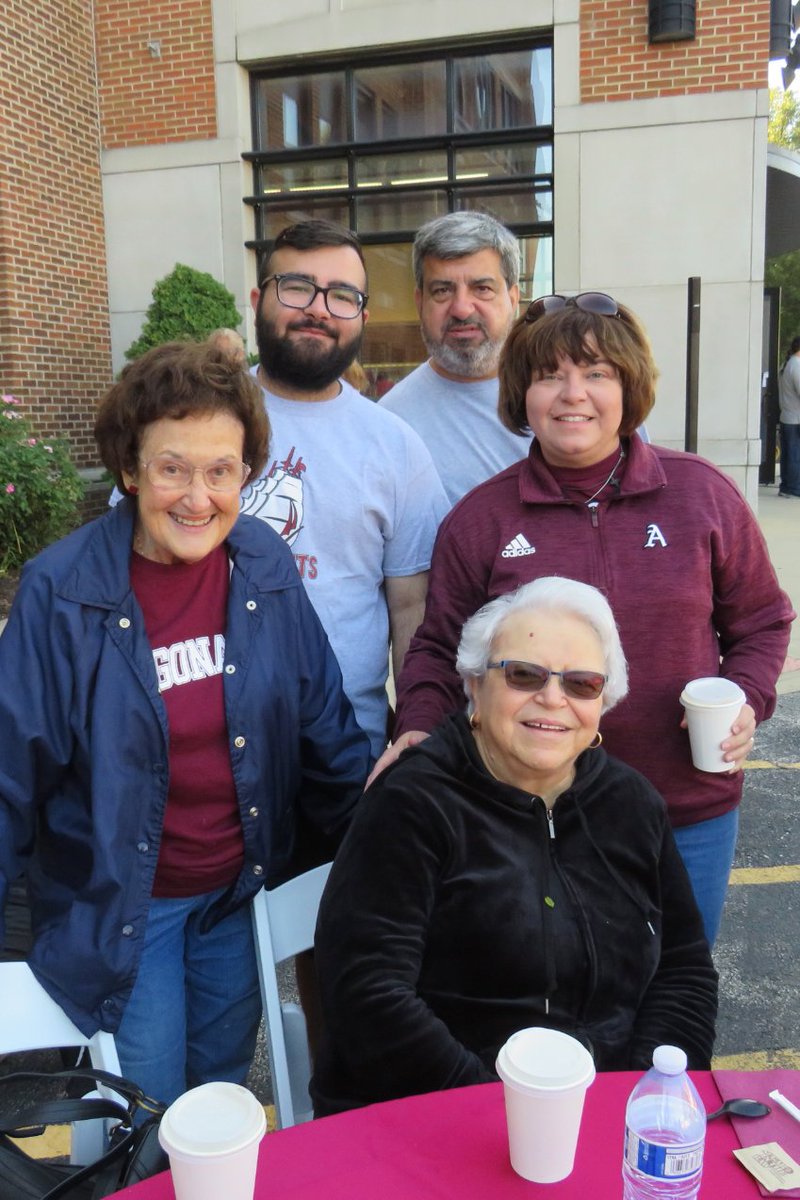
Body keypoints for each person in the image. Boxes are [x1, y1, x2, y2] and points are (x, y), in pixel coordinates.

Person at [0, 340, 371, 1105]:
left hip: (235, 895)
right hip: (128, 911)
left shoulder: (261, 562)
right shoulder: (61, 592)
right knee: (151, 1108)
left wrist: (379, 859)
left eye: (221, 471)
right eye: (173, 468)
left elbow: (324, 723)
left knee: (224, 1091)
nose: (198, 498)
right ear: (130, 469)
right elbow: (9, 777)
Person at [386, 292, 795, 947]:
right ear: (523, 394)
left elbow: (763, 621)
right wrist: (418, 727)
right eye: (550, 375)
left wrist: (745, 697)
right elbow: (438, 648)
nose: (572, 394)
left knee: (675, 984)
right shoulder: (483, 519)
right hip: (529, 812)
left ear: (628, 388)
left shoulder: (701, 495)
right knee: (546, 991)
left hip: (686, 809)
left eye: (596, 373)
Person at [311, 578, 718, 1115]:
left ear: (603, 703)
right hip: (433, 1109)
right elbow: (367, 994)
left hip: (606, 1111)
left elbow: (683, 970)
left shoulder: (631, 803)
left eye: (581, 683)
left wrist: (643, 1097)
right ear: (474, 685)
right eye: (524, 674)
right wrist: (503, 1112)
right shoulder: (411, 802)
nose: (553, 699)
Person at [243, 219, 448, 758]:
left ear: (362, 317)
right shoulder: (197, 417)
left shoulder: (396, 445)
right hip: (205, 743)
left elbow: (413, 607)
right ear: (257, 301)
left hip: (346, 747)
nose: (319, 309)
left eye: (342, 296)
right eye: (296, 287)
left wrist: (413, 737)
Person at [379, 211, 531, 506]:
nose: (461, 308)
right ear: (420, 302)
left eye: (482, 289)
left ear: (513, 299)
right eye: (442, 291)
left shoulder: (564, 401)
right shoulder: (391, 423)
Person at [778, 335, 800, 498]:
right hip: (796, 418)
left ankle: (786, 486)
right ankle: (794, 488)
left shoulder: (785, 364)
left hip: (786, 416)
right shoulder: (797, 365)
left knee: (787, 454)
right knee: (795, 455)